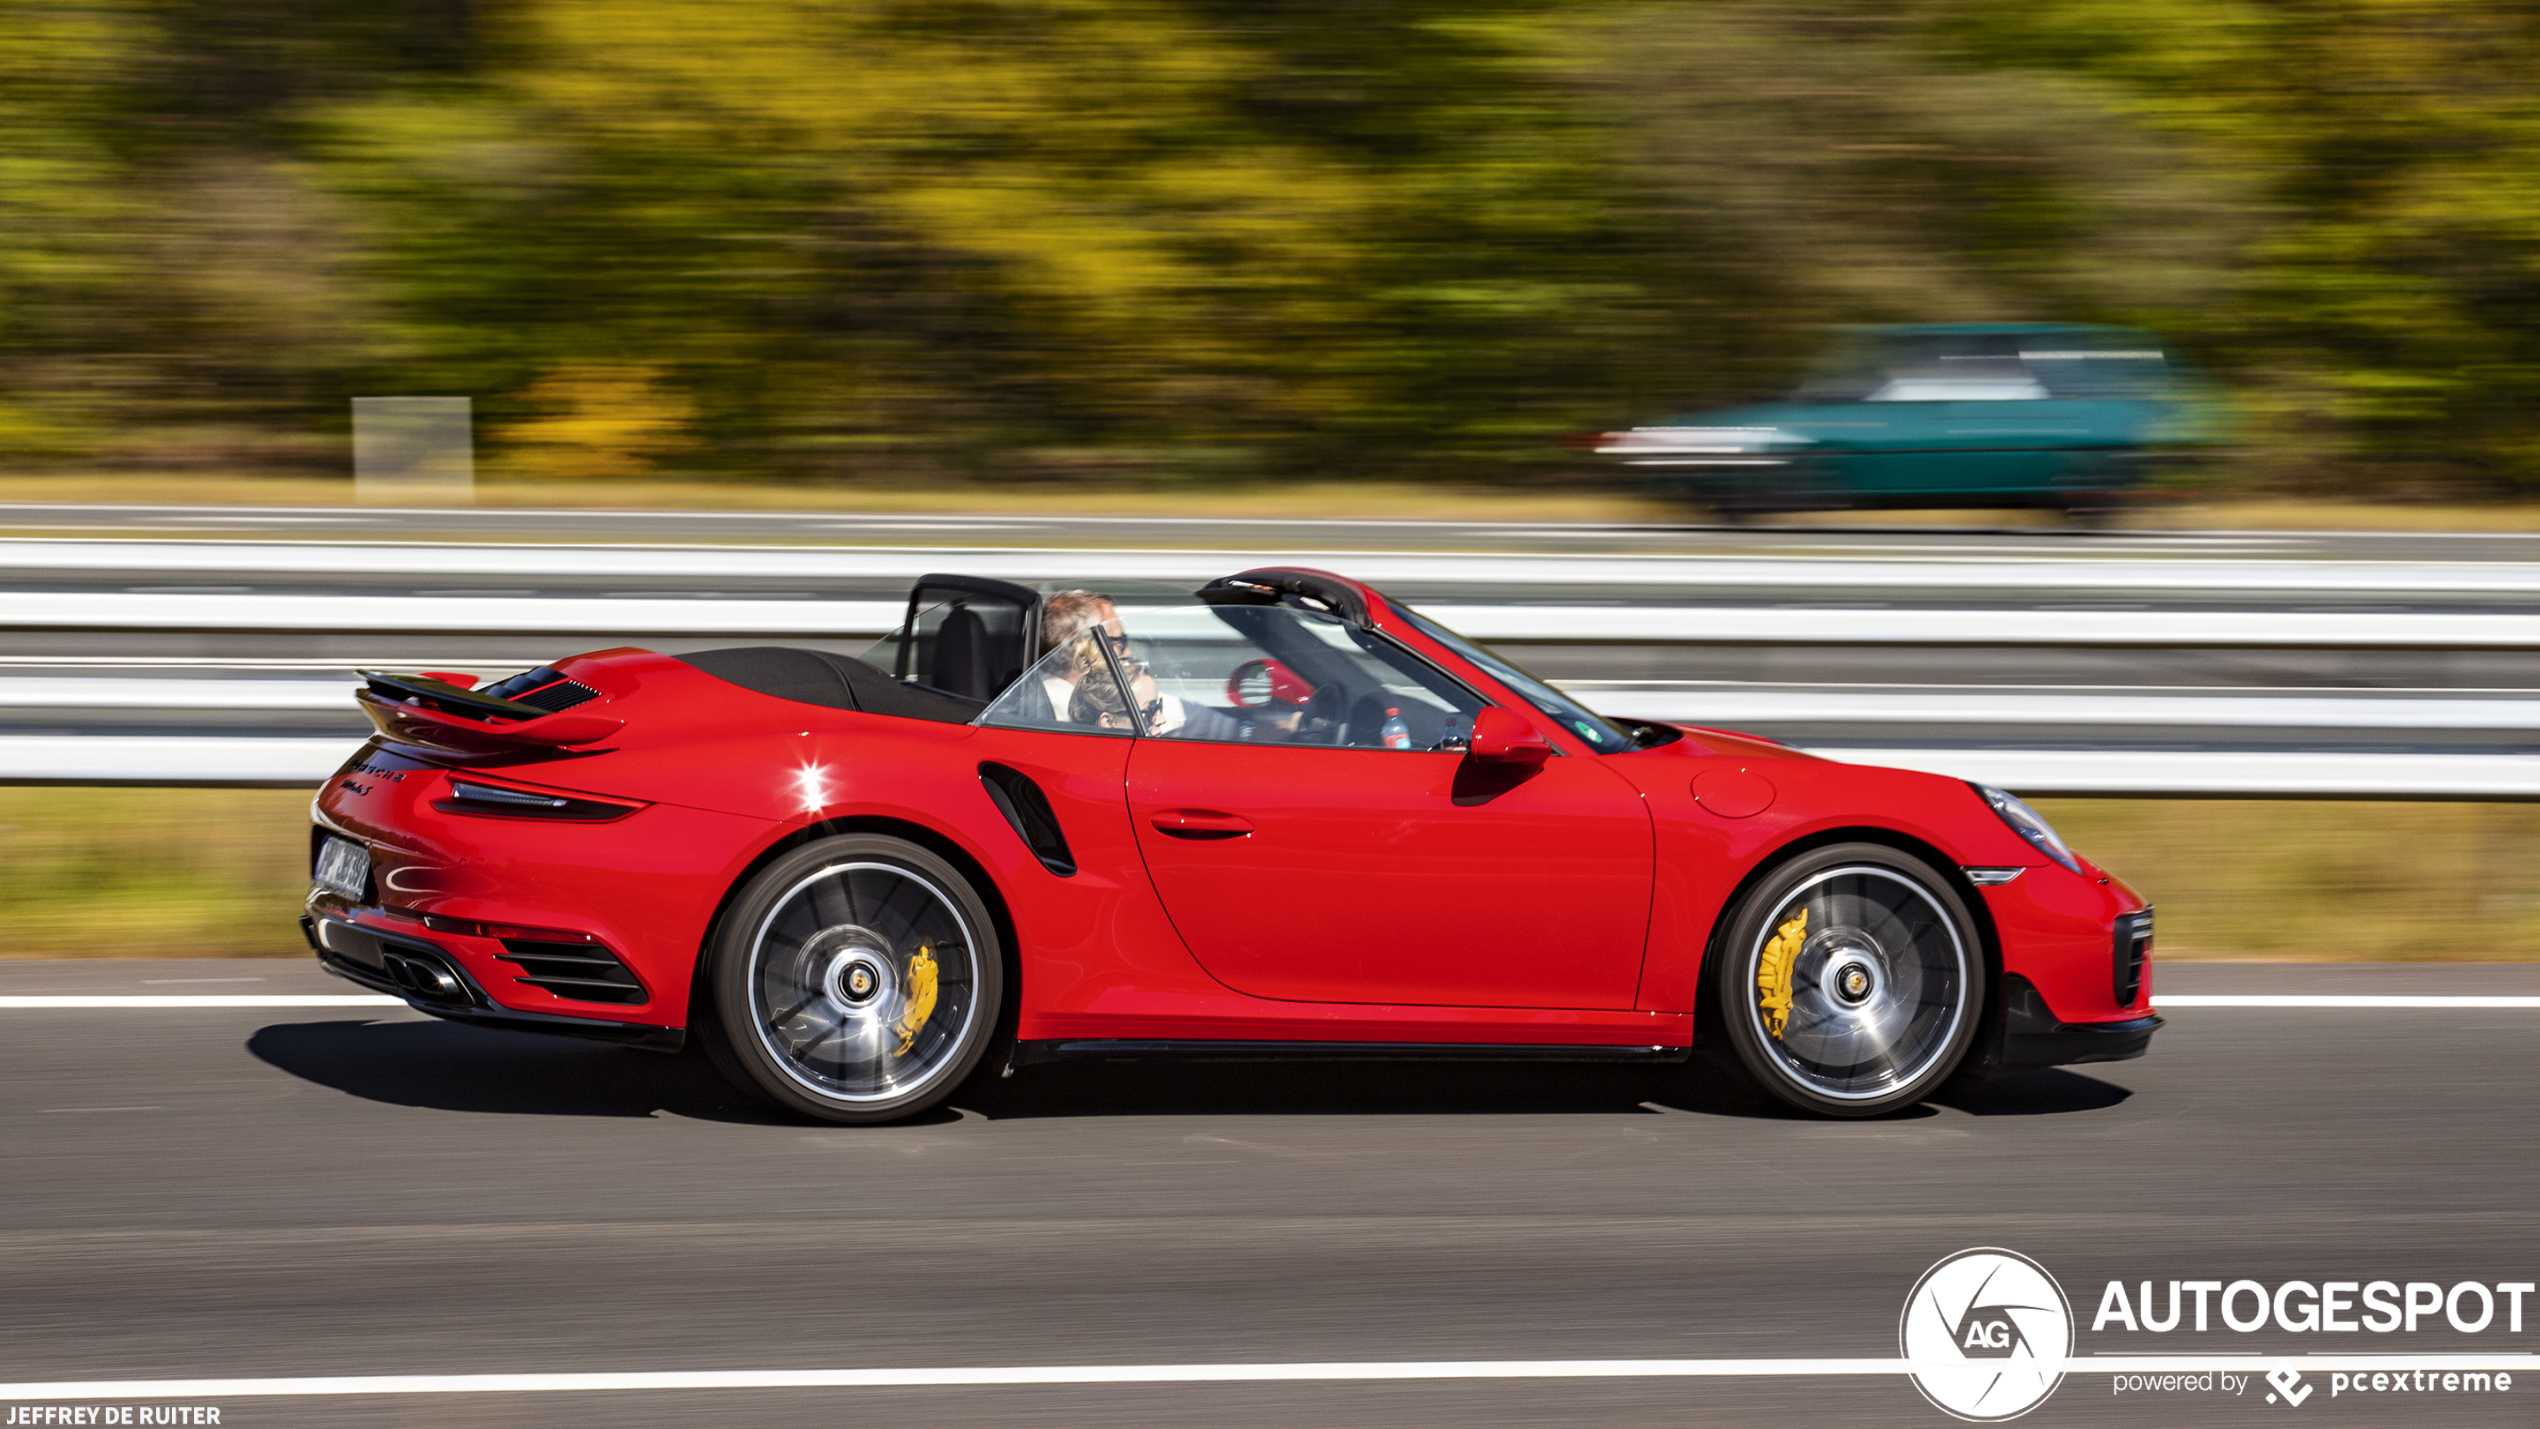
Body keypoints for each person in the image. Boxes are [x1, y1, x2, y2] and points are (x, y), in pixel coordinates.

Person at [1036, 589, 1245, 739]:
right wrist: (1252, 729)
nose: (1128, 652)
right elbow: (1207, 723)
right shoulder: (1076, 714)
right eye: (1119, 642)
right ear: (1079, 652)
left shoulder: (1031, 701)